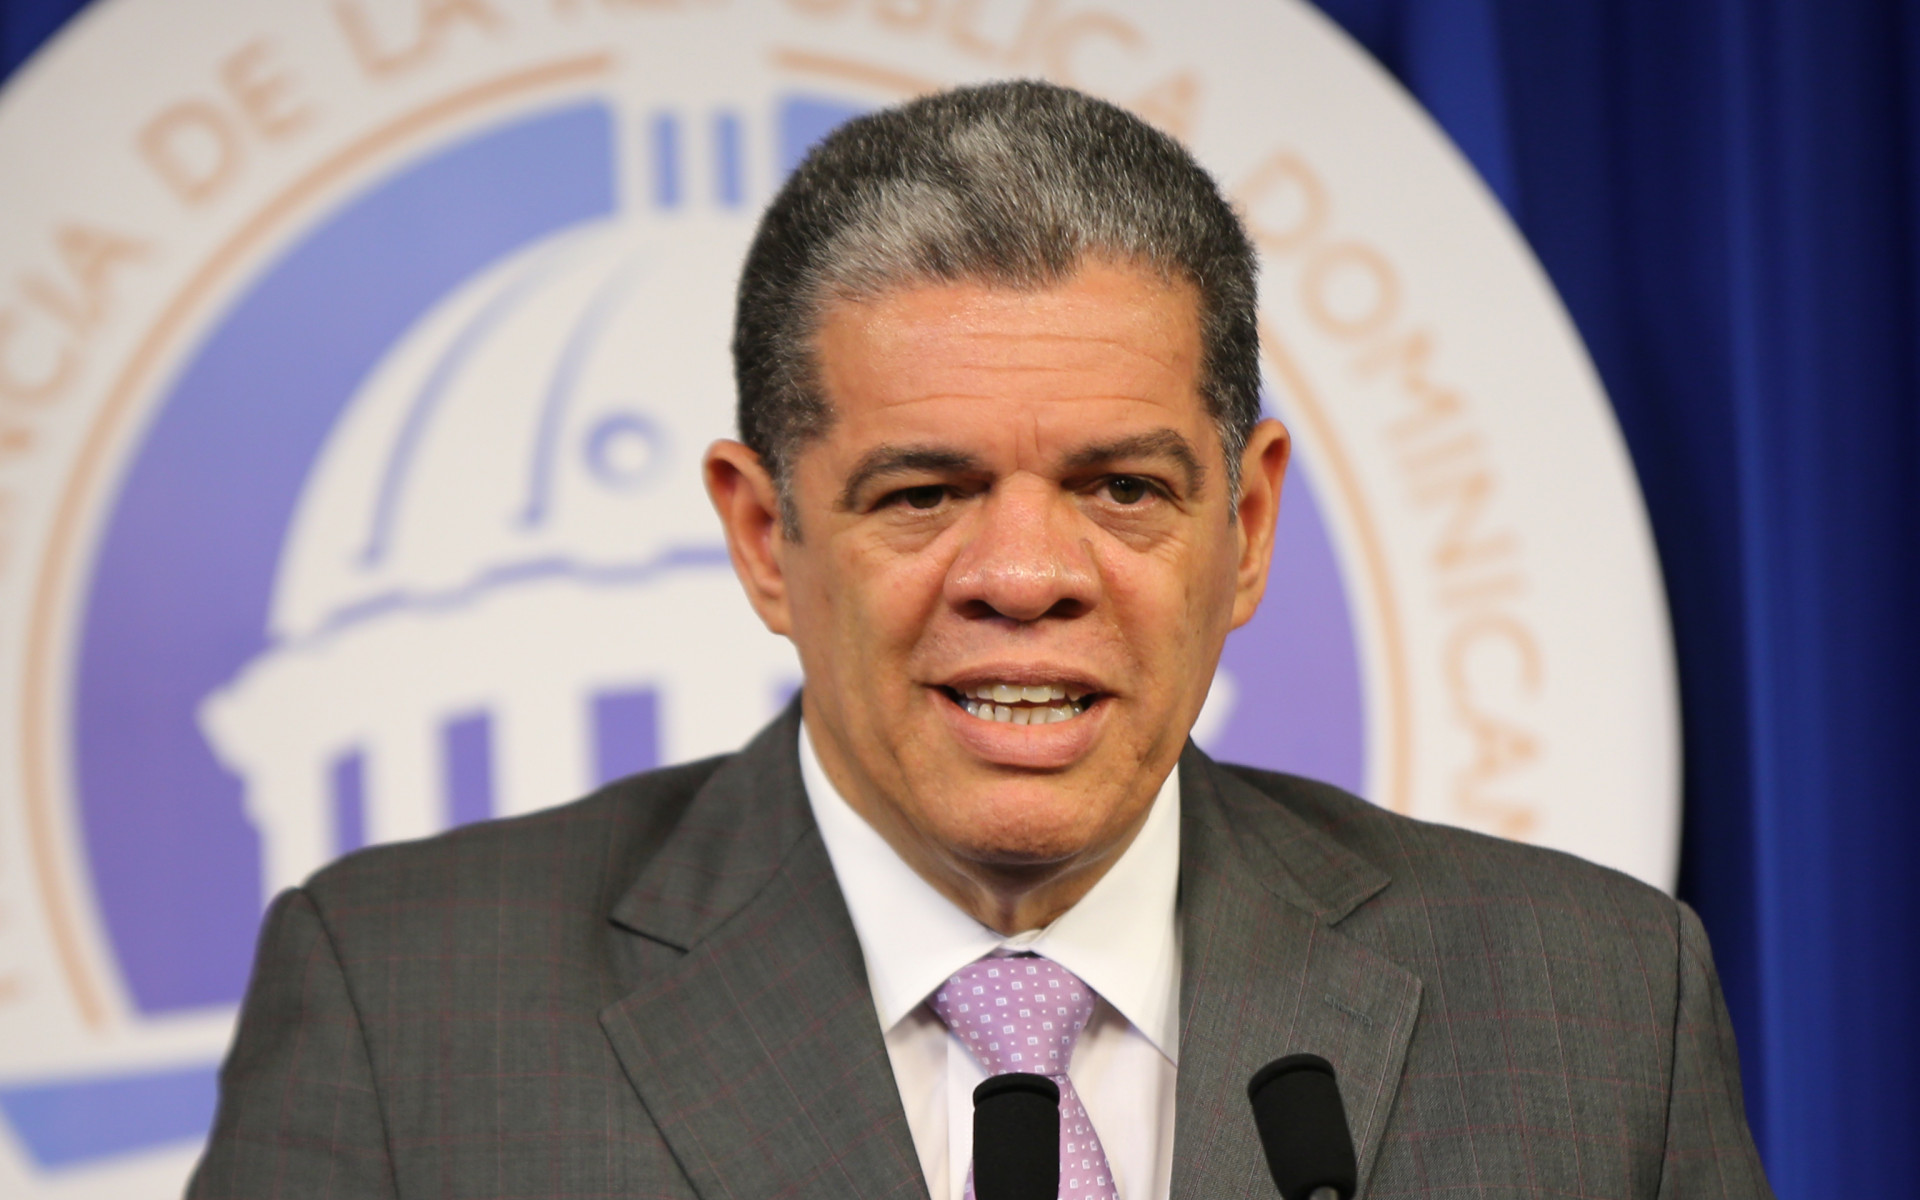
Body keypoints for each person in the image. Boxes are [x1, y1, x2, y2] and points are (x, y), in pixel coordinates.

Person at [189, 81, 1771, 1200]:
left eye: (1124, 488)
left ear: (1247, 525)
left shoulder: (1591, 1009)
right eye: (924, 493)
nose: (1024, 576)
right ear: (765, 535)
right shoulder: (408, 1011)